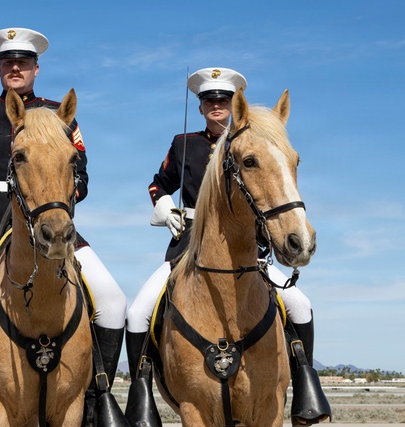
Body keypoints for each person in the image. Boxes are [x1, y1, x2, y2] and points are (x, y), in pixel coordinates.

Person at [0, 28, 128, 411]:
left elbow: (81, 177)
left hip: (46, 220)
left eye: (23, 62)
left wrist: (57, 201)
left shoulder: (59, 112)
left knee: (113, 298)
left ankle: (98, 398)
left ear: (36, 68)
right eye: (8, 62)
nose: (15, 68)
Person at [124, 67, 329, 425]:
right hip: (188, 246)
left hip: (249, 251)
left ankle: (305, 384)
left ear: (235, 105)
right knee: (138, 312)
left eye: (223, 100)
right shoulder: (184, 144)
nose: (216, 105)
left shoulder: (253, 143)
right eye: (208, 100)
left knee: (300, 304)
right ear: (201, 106)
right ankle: (140, 396)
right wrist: (163, 207)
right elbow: (158, 184)